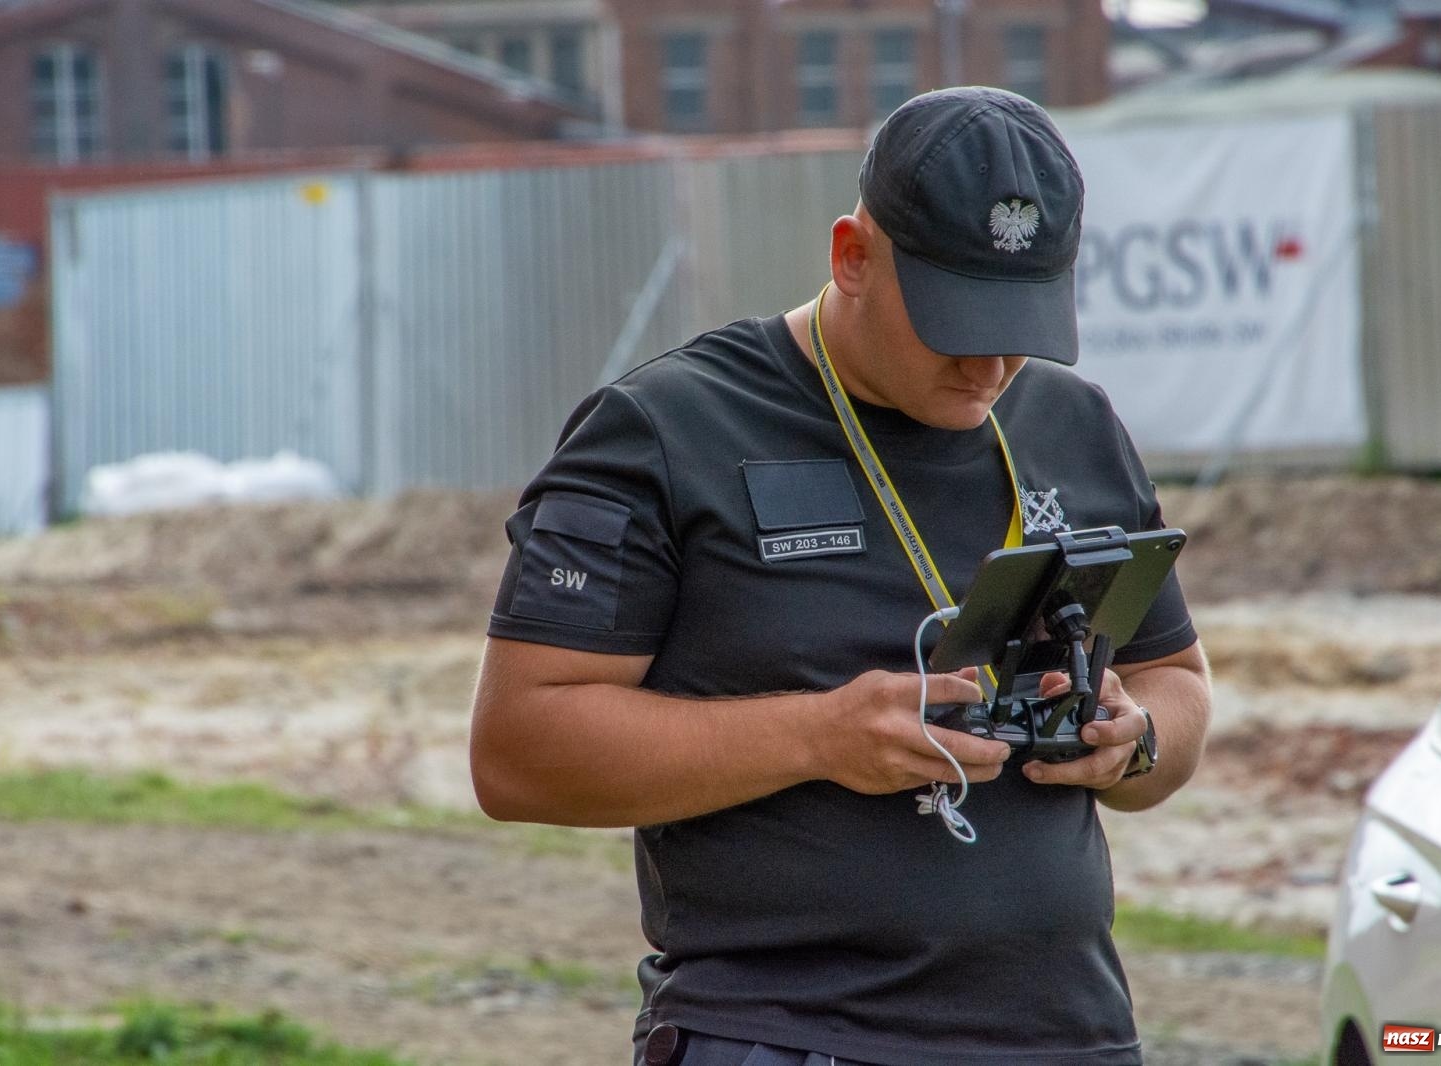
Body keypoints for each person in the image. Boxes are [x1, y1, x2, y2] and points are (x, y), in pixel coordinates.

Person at [471, 86, 1212, 1066]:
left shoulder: (1074, 425)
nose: (990, 361)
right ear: (851, 257)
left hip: (1067, 1036)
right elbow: (517, 752)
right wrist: (819, 735)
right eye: (956, 320)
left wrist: (1134, 740)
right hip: (786, 1035)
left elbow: (1179, 684)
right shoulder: (665, 430)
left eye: (1020, 320)